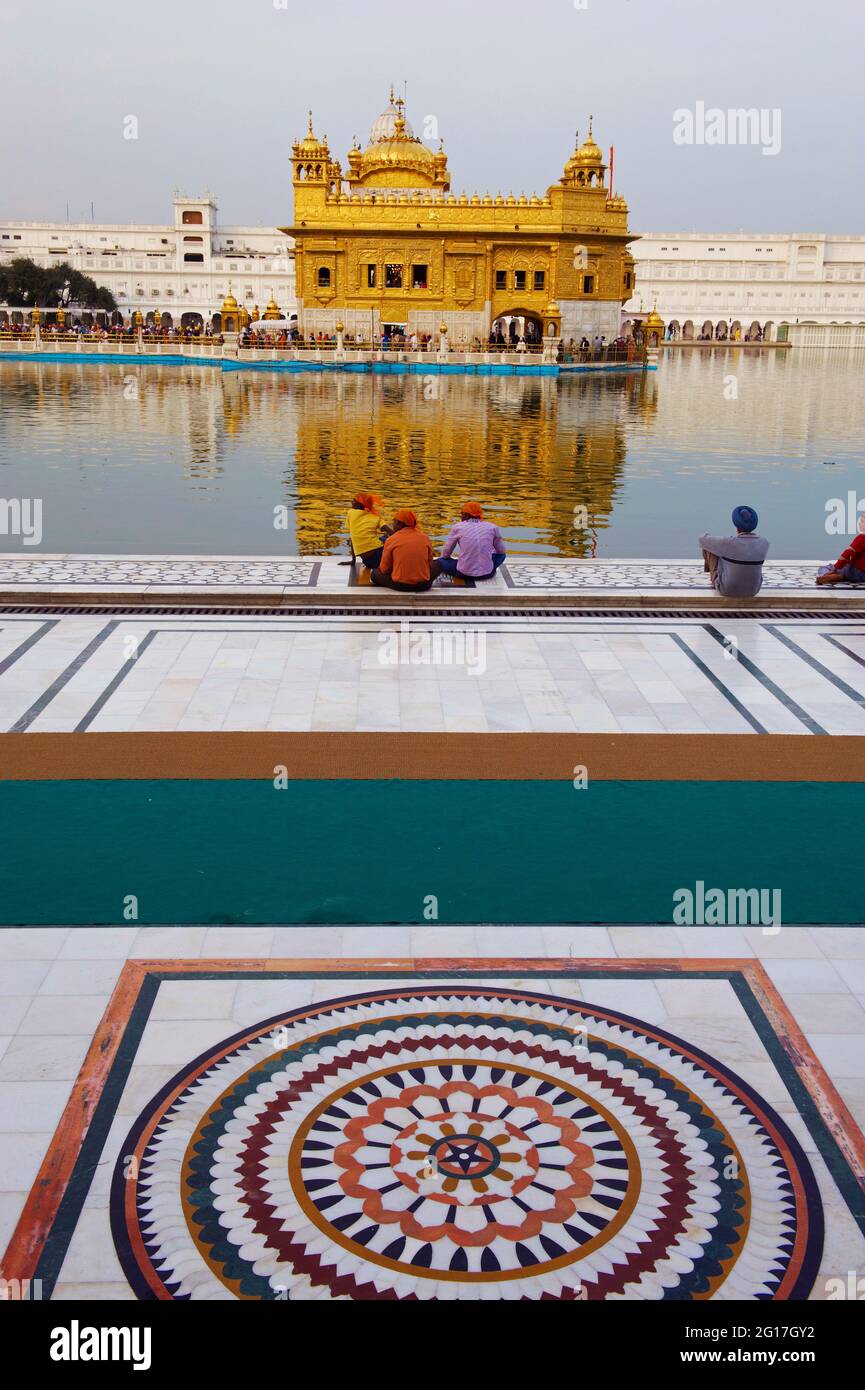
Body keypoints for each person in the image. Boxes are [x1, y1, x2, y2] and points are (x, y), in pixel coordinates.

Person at [699, 505, 769, 597]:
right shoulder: (765, 543)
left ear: (737, 526)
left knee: (710, 548)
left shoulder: (729, 542)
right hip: (753, 590)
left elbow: (702, 540)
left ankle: (713, 578)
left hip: (727, 589)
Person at [370, 510, 440, 592]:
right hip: (423, 585)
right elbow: (430, 564)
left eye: (394, 521)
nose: (392, 524)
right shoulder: (425, 538)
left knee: (374, 574)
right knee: (439, 564)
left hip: (401, 585)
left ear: (400, 524)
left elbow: (385, 569)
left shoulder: (391, 539)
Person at [438, 502, 506, 585]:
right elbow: (501, 551)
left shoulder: (458, 527)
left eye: (462, 514)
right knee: (502, 556)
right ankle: (486, 566)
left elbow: (446, 553)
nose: (461, 516)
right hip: (488, 573)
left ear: (466, 515)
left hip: (464, 574)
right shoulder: (492, 527)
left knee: (441, 561)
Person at [816, 513, 865, 585]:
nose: (860, 523)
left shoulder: (862, 537)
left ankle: (830, 576)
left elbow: (848, 553)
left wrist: (836, 568)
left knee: (826, 568)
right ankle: (841, 576)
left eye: (862, 520)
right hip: (863, 577)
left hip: (854, 572)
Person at [345, 491, 391, 568]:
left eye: (354, 500)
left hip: (368, 562)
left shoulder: (351, 513)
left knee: (384, 537)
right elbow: (392, 532)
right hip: (380, 555)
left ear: (360, 505)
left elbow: (353, 537)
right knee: (388, 535)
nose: (351, 502)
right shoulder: (375, 517)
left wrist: (353, 561)